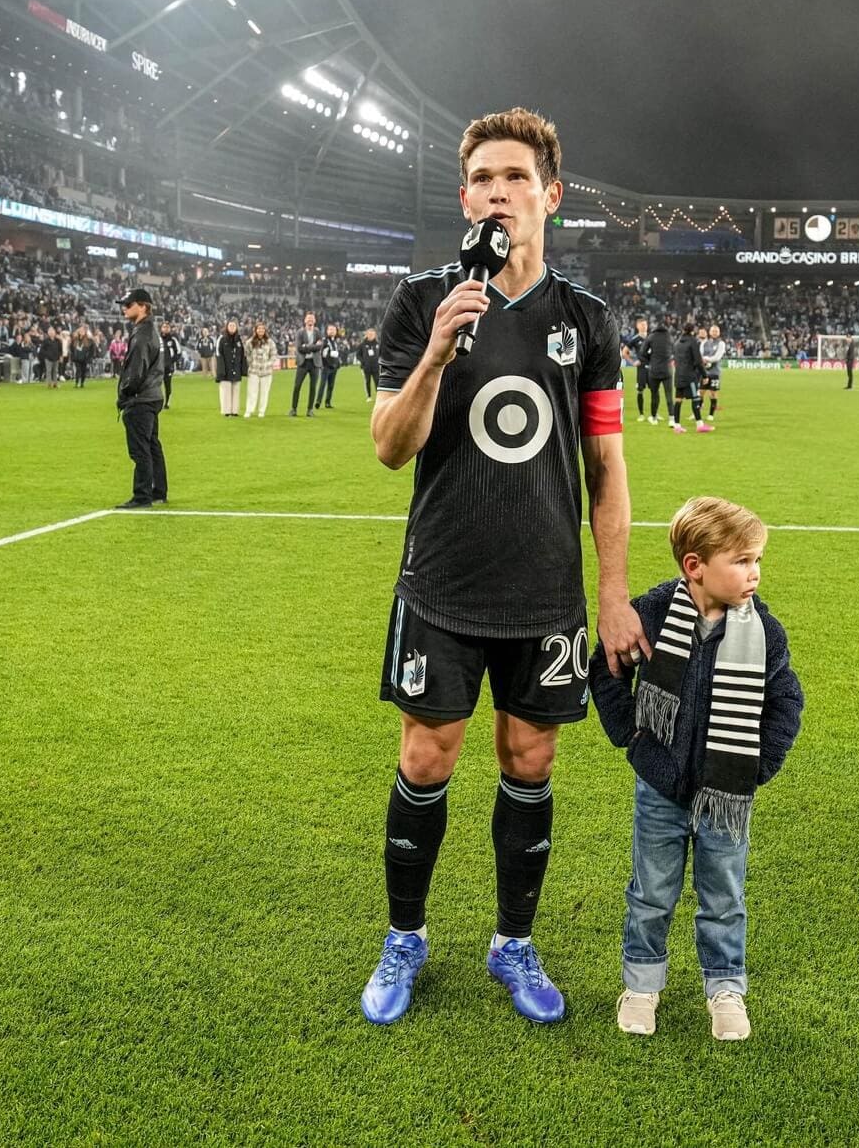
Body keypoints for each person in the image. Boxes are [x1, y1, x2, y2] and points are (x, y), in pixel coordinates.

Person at [360, 107, 645, 1028]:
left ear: (549, 197)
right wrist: (439, 347)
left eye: (515, 178)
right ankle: (405, 935)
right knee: (424, 754)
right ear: (464, 197)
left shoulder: (587, 322)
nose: (497, 192)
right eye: (482, 178)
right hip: (441, 580)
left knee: (529, 757)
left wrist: (610, 593)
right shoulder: (419, 302)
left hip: (545, 591)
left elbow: (606, 466)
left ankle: (512, 941)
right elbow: (388, 447)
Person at [588, 496, 804, 1042]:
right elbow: (605, 668)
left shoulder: (765, 633)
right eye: (742, 561)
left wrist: (757, 767)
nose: (754, 573)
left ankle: (725, 989)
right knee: (651, 892)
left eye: (757, 561)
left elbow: (786, 701)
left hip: (725, 794)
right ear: (695, 565)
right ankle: (641, 986)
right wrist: (632, 740)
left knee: (724, 896)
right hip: (659, 786)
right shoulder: (653, 614)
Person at [114, 288, 167, 509]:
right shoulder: (149, 331)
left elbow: (135, 371)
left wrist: (125, 395)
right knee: (152, 445)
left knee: (140, 449)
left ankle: (142, 495)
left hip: (141, 398)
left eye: (129, 304)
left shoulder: (142, 334)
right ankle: (158, 490)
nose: (124, 308)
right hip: (153, 395)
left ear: (143, 306)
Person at [670, 323, 713, 434]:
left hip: (678, 375)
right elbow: (698, 361)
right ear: (693, 331)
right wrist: (705, 375)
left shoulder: (677, 343)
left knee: (678, 400)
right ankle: (700, 425)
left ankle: (677, 426)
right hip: (690, 376)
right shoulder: (693, 342)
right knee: (695, 398)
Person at [289, 311, 323, 418]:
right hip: (303, 363)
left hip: (315, 363)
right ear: (305, 320)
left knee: (313, 388)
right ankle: (293, 409)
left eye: (312, 319)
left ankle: (310, 410)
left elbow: (320, 346)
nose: (310, 320)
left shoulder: (317, 332)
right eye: (308, 318)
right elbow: (299, 348)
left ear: (315, 321)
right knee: (297, 386)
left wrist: (307, 346)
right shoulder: (300, 332)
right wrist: (313, 346)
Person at [244, 320, 278, 418]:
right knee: (251, 392)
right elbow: (247, 354)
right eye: (259, 328)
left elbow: (274, 354)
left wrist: (269, 364)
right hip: (253, 371)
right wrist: (251, 363)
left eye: (263, 329)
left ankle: (261, 411)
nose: (261, 330)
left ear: (265, 330)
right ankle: (249, 410)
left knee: (264, 392)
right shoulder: (250, 342)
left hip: (266, 372)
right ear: (255, 330)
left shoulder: (270, 342)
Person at [644, 318, 674, 424]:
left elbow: (642, 353)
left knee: (654, 395)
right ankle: (672, 419)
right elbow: (673, 351)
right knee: (669, 395)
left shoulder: (651, 337)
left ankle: (654, 418)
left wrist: (651, 359)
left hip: (654, 370)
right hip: (667, 370)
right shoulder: (669, 337)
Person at [216, 319, 248, 417]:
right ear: (227, 327)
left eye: (234, 326)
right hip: (225, 370)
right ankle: (226, 411)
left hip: (236, 369)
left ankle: (234, 411)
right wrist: (221, 370)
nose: (232, 327)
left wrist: (243, 370)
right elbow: (218, 354)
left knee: (236, 391)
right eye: (230, 325)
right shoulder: (221, 339)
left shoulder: (239, 340)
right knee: (226, 391)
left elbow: (242, 355)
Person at [622, 315, 650, 421]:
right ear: (638, 326)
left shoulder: (651, 337)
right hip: (641, 368)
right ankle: (641, 414)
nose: (644, 326)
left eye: (645, 324)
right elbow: (624, 352)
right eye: (642, 325)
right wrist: (633, 362)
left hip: (652, 368)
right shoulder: (635, 339)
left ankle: (654, 414)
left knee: (655, 390)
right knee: (640, 390)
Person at [699, 324, 725, 419]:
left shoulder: (721, 343)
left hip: (715, 372)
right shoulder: (704, 343)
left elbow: (717, 357)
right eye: (713, 331)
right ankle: (697, 413)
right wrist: (703, 360)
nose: (714, 333)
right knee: (700, 392)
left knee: (713, 393)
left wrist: (706, 359)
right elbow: (700, 355)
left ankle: (711, 414)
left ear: (719, 333)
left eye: (716, 331)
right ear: (709, 332)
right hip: (704, 372)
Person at [315, 322, 340, 409]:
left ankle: (328, 402)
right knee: (322, 384)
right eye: (330, 329)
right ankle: (318, 401)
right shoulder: (324, 341)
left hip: (334, 367)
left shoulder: (335, 341)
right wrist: (322, 364)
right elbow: (321, 353)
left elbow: (336, 353)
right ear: (327, 331)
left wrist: (338, 364)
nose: (332, 331)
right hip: (326, 366)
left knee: (331, 385)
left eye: (334, 330)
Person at [160, 320, 182, 409]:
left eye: (167, 327)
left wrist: (172, 361)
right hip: (158, 367)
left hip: (168, 367)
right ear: (161, 328)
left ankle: (167, 403)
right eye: (164, 327)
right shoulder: (157, 339)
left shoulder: (173, 340)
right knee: (156, 385)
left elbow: (179, 352)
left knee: (167, 385)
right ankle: (158, 402)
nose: (165, 329)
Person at [357, 327, 381, 401]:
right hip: (366, 367)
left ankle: (378, 396)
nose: (371, 335)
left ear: (375, 335)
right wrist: (363, 362)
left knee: (377, 381)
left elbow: (381, 354)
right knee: (367, 381)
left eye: (372, 334)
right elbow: (358, 355)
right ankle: (369, 396)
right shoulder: (362, 344)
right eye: (369, 334)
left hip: (376, 367)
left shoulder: (378, 344)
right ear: (366, 335)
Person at [40, 326, 62, 390]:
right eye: (50, 331)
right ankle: (49, 384)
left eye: (53, 331)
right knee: (48, 371)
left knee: (55, 371)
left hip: (56, 358)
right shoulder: (46, 341)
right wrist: (47, 355)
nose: (52, 333)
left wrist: (60, 356)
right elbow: (42, 350)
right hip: (48, 359)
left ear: (55, 332)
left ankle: (55, 383)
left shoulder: (57, 340)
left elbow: (60, 349)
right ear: (48, 333)